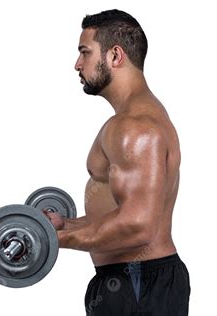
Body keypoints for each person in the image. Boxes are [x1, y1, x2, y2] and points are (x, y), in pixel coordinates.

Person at [43, 9, 191, 315]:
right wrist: (65, 224)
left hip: (137, 284)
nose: (77, 64)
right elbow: (122, 213)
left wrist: (50, 239)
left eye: (85, 52)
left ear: (115, 56)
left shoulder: (135, 127)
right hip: (133, 282)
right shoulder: (132, 119)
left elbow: (138, 226)